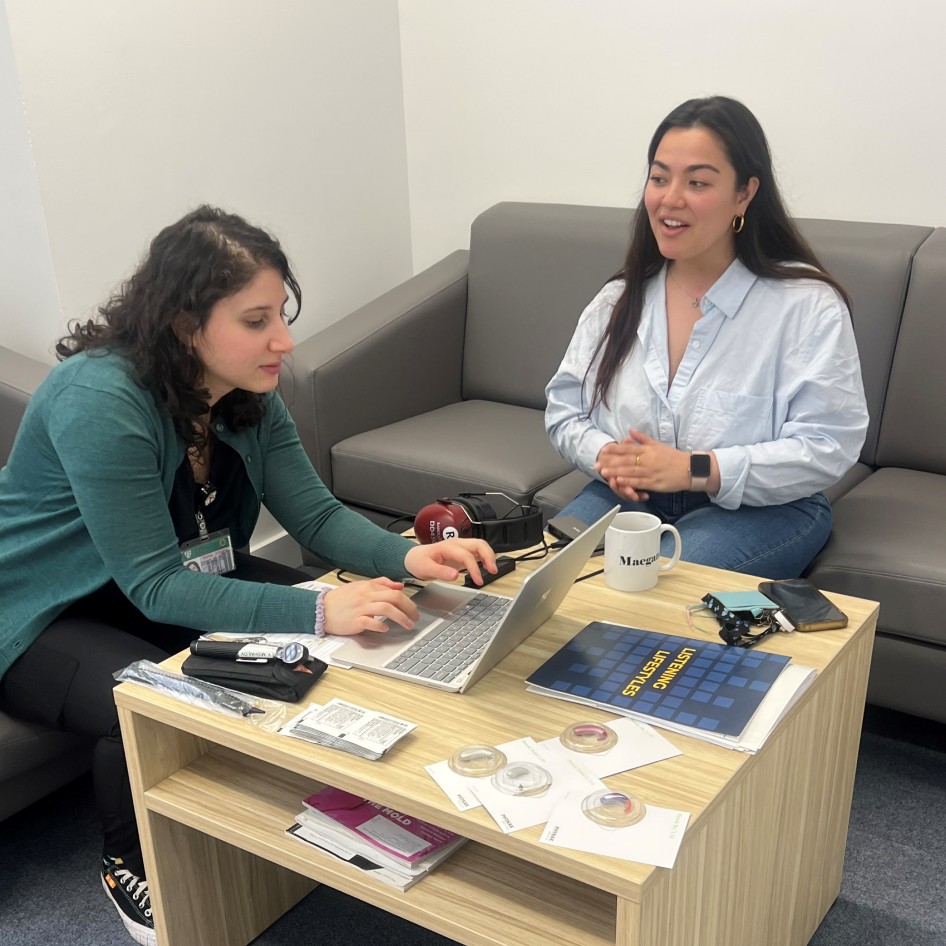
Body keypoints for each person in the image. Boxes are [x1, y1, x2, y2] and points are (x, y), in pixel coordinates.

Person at [0, 206, 497, 946]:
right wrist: (323, 609)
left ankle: (320, 802)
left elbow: (316, 518)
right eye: (256, 321)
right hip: (40, 607)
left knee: (370, 613)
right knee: (145, 692)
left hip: (151, 579)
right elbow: (157, 588)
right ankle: (129, 860)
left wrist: (407, 558)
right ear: (183, 325)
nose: (283, 341)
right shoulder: (99, 400)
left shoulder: (245, 395)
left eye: (281, 316)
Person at [545, 96, 868, 580]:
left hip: (765, 509)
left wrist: (695, 468)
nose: (670, 199)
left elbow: (827, 444)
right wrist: (605, 457)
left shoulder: (806, 305)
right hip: (630, 495)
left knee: (652, 589)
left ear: (745, 194)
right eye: (659, 178)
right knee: (547, 581)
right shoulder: (620, 297)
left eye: (697, 182)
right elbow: (565, 409)